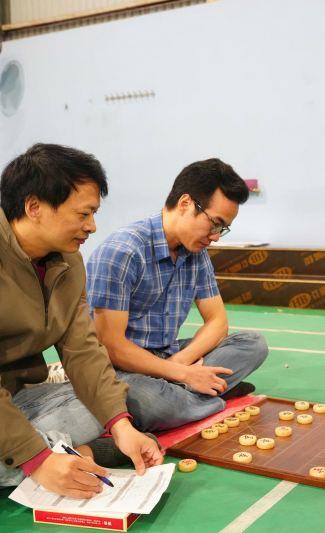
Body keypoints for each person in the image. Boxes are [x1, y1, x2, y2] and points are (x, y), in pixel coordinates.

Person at [0, 144, 162, 525]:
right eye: (84, 213)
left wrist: (120, 425)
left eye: (94, 214)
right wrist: (38, 461)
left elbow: (83, 352)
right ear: (34, 207)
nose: (92, 226)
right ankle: (76, 456)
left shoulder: (69, 263)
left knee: (111, 399)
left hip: (14, 401)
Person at [87, 158, 268, 433]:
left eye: (222, 229)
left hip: (171, 357)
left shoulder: (196, 254)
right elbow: (111, 346)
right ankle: (205, 397)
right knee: (156, 404)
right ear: (185, 204)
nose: (216, 237)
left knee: (253, 344)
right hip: (122, 369)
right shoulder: (123, 252)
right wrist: (184, 374)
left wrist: (179, 364)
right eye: (215, 224)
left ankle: (186, 398)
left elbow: (217, 322)